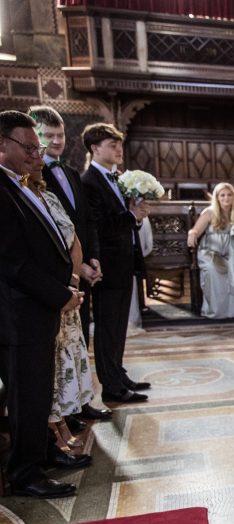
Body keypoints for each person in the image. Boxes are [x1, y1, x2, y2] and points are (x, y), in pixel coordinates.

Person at [0, 110, 83, 498]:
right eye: (29, 146)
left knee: (39, 392)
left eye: (38, 146)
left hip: (37, 311)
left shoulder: (20, 186)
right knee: (27, 396)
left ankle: (43, 454)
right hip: (19, 313)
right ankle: (24, 473)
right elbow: (13, 261)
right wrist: (60, 294)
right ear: (3, 145)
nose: (38, 153)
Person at [30, 106, 112, 424]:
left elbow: (85, 221)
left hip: (82, 267)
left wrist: (92, 259)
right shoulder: (34, 176)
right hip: (58, 275)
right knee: (57, 346)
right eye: (47, 135)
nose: (55, 141)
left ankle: (81, 400)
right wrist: (74, 271)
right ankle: (63, 411)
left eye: (60, 134)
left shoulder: (73, 173)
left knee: (79, 340)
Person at [26, 163, 95, 462]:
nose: (38, 161)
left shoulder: (49, 198)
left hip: (66, 293)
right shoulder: (16, 197)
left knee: (65, 360)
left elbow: (74, 241)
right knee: (49, 369)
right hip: (42, 296)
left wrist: (73, 282)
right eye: (31, 152)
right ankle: (53, 434)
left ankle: (62, 424)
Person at [81, 122, 151, 404]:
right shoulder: (89, 182)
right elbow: (98, 226)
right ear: (95, 148)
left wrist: (137, 214)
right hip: (106, 264)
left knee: (119, 324)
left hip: (123, 261)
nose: (119, 149)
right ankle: (110, 385)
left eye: (119, 144)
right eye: (112, 145)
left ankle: (118, 373)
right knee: (108, 325)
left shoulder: (118, 179)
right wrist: (131, 215)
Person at [187, 182, 234, 318]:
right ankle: (217, 310)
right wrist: (192, 234)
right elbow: (195, 230)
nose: (226, 198)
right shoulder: (209, 213)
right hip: (211, 252)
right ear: (217, 197)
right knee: (213, 269)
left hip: (233, 252)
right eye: (222, 195)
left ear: (233, 197)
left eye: (229, 195)